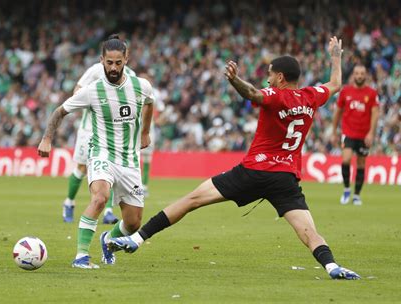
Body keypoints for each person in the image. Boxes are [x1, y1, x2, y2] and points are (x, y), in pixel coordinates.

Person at [108, 37, 361, 280]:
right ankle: (332, 266)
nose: (268, 78)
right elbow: (336, 83)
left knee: (191, 200)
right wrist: (336, 56)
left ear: (281, 77)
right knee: (308, 231)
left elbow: (253, 93)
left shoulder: (275, 96)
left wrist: (234, 79)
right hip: (285, 178)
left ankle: (136, 239)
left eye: (271, 74)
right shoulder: (311, 96)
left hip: (254, 171)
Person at [38, 35, 154, 269]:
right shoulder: (93, 90)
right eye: (109, 62)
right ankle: (81, 256)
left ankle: (108, 239)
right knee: (100, 198)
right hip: (102, 154)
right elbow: (60, 111)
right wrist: (47, 138)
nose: (113, 67)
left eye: (118, 62)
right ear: (102, 60)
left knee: (133, 224)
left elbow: (150, 103)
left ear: (126, 60)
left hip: (130, 161)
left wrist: (145, 132)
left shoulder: (141, 85)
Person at [62, 50, 136, 224]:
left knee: (111, 168)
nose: (115, 65)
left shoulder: (130, 75)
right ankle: (69, 202)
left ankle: (108, 211)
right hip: (89, 129)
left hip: (113, 132)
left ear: (125, 57)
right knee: (81, 168)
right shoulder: (96, 70)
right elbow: (77, 91)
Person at [331, 64, 379, 206]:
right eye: (357, 73)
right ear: (353, 75)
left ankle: (356, 195)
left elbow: (375, 114)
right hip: (348, 132)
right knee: (346, 159)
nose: (359, 76)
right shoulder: (345, 91)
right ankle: (346, 189)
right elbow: (338, 112)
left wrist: (371, 133)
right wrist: (334, 131)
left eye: (362, 73)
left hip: (364, 135)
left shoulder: (371, 93)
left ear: (365, 75)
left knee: (361, 163)